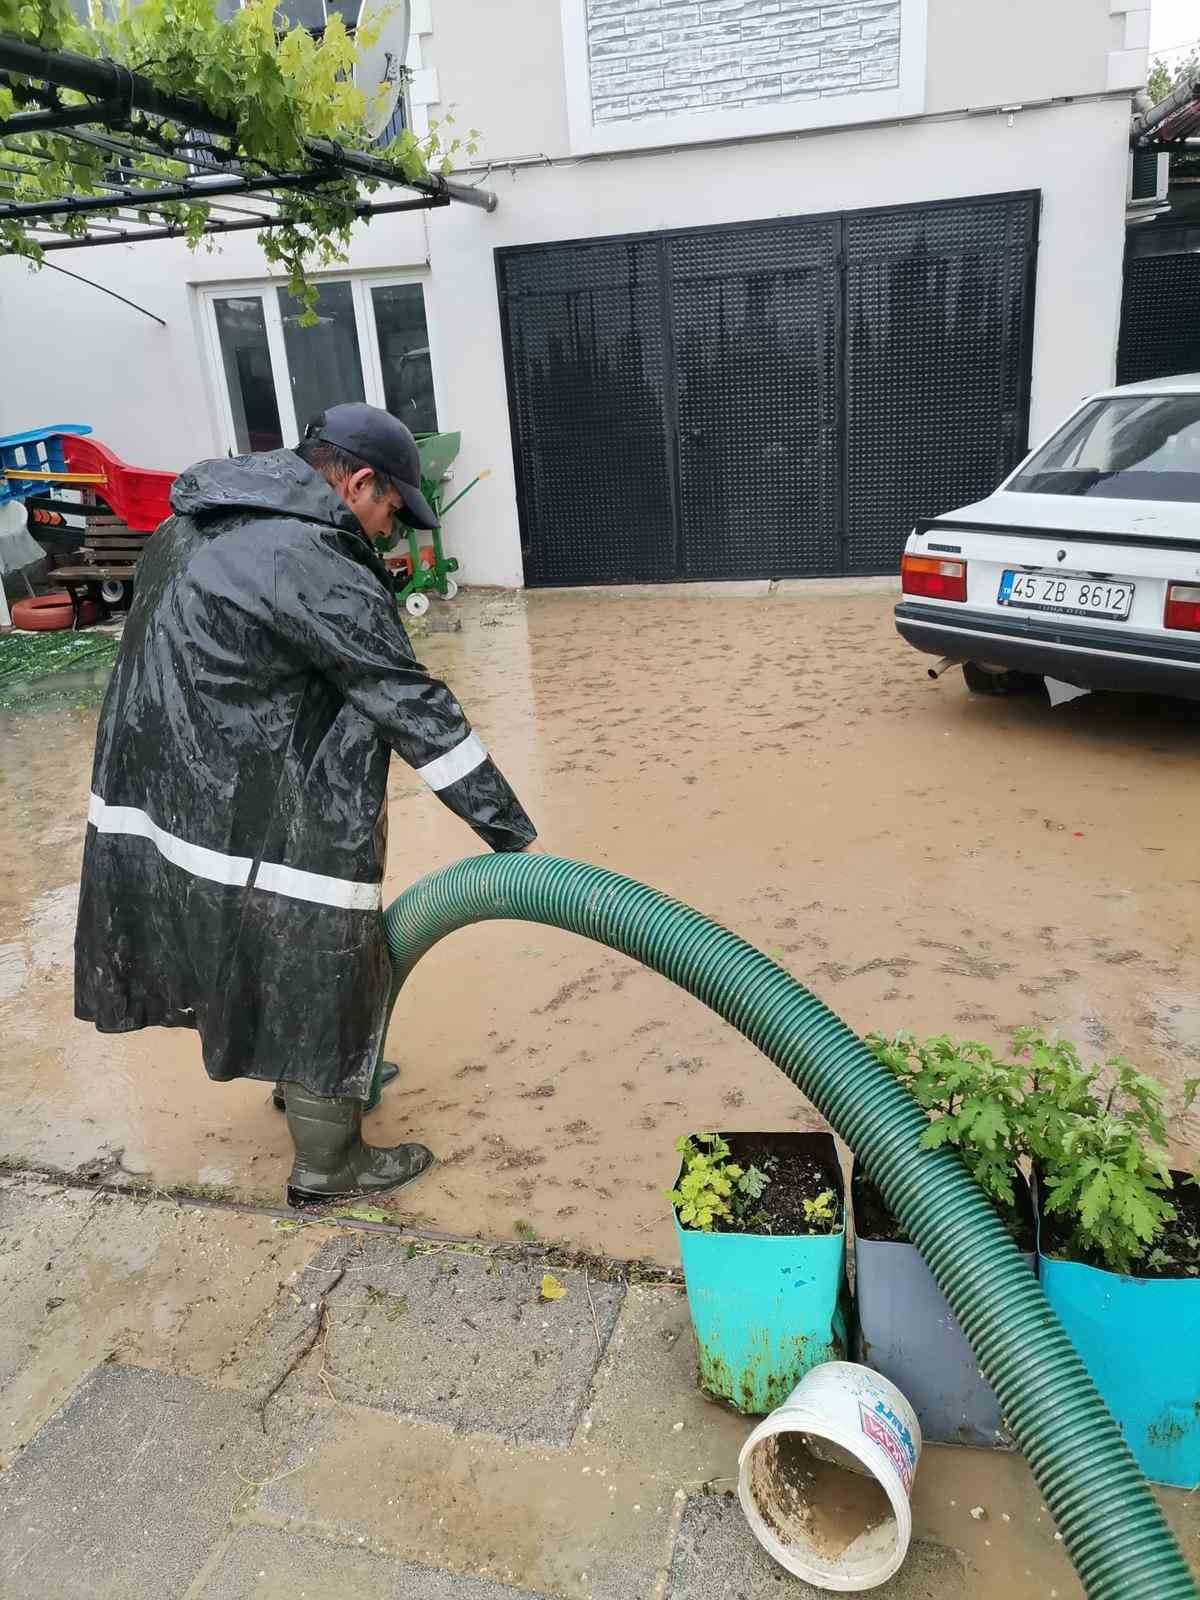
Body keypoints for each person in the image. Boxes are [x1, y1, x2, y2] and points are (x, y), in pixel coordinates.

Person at [75, 403, 541, 1207]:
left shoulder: (196, 523)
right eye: (393, 506)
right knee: (322, 931)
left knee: (256, 933)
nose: (392, 529)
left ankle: (308, 1076)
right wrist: (508, 831)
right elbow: (408, 702)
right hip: (249, 788)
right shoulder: (314, 558)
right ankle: (329, 1162)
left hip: (157, 792)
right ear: (359, 481)